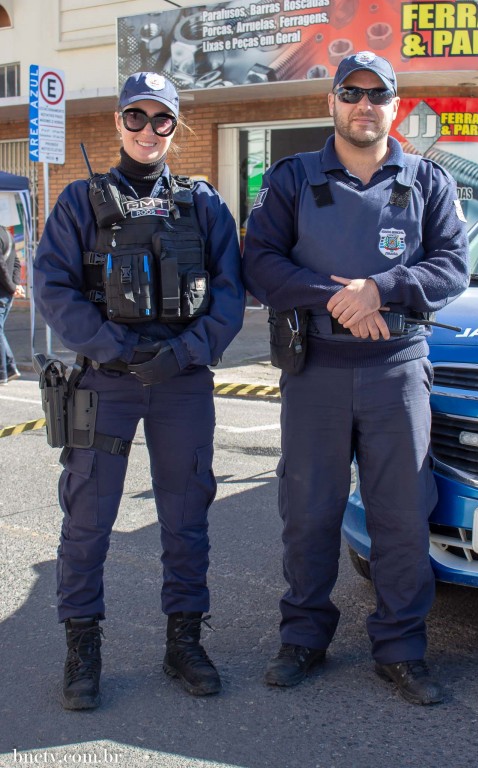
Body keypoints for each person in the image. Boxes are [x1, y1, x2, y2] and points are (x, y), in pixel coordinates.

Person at [242, 51, 469, 705]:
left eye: (377, 94)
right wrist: (338, 297)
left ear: (394, 106)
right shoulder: (292, 178)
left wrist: (382, 288)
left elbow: (452, 267)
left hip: (396, 368)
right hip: (315, 367)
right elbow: (259, 262)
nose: (364, 104)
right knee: (307, 512)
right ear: (332, 102)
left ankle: (401, 649)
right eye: (351, 92)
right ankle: (303, 639)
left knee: (402, 516)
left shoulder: (428, 180)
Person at [33, 71, 245, 710]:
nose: (148, 130)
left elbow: (230, 294)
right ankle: (82, 646)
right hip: (108, 380)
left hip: (182, 382)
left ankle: (184, 641)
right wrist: (115, 348)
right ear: (118, 121)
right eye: (136, 117)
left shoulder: (203, 203)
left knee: (186, 517)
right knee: (88, 518)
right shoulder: (79, 201)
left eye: (161, 119)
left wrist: (185, 352)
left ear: (175, 127)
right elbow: (53, 288)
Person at [0, 225, 23, 384]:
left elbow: (1, 267)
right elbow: (16, 262)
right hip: (6, 294)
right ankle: (9, 368)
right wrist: (15, 285)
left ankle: (4, 372)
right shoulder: (7, 234)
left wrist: (12, 287)